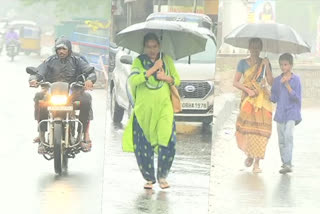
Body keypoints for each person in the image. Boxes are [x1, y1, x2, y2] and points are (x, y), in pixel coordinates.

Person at [122, 33, 180, 189]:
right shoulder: (138, 61)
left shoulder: (166, 60)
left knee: (167, 140)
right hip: (144, 111)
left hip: (164, 108)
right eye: (149, 46)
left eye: (155, 46)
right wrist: (152, 70)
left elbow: (177, 80)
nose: (152, 50)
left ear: (159, 46)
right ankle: (149, 178)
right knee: (143, 145)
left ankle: (162, 177)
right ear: (144, 47)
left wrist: (165, 77)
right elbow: (133, 81)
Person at [29, 38, 96, 153]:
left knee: (86, 99)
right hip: (52, 93)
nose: (61, 51)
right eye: (58, 49)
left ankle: (84, 134)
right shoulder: (50, 60)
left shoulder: (77, 60)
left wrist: (90, 80)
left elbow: (90, 71)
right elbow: (39, 72)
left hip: (73, 94)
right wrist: (34, 79)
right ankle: (42, 134)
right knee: (39, 98)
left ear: (69, 49)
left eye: (63, 48)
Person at [233, 38, 273, 173]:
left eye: (257, 47)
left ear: (261, 49)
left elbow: (271, 82)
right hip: (248, 99)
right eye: (253, 47)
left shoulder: (264, 62)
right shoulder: (242, 63)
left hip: (263, 101)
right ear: (249, 48)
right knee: (247, 128)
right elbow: (236, 82)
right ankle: (249, 154)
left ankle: (257, 163)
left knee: (262, 131)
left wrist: (267, 66)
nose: (255, 50)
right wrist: (248, 90)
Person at [271, 53, 302, 174]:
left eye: (286, 64)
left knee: (289, 135)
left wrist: (287, 85)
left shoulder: (296, 79)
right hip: (280, 113)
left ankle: (288, 162)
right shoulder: (277, 80)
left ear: (291, 65)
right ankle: (284, 163)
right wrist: (264, 88)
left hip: (292, 112)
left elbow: (297, 98)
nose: (283, 67)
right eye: (281, 65)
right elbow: (274, 98)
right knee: (281, 139)